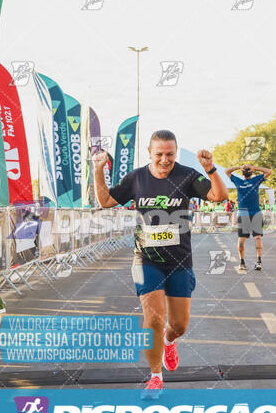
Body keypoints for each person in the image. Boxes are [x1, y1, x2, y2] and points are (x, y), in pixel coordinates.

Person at [93, 130, 227, 397]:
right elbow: (105, 201)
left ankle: (169, 341)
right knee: (153, 317)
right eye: (159, 155)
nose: (165, 160)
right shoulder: (137, 178)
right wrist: (98, 170)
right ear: (149, 152)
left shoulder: (187, 175)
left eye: (170, 154)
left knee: (179, 325)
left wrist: (210, 169)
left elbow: (218, 196)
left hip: (180, 258)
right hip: (145, 258)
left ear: (175, 152)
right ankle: (155, 376)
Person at [225, 163, 272, 271]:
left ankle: (242, 262)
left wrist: (238, 167)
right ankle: (259, 261)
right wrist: (255, 168)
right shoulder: (255, 180)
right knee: (258, 237)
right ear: (251, 172)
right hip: (255, 213)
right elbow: (269, 171)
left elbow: (227, 171)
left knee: (241, 239)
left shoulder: (238, 181)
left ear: (242, 173)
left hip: (243, 213)